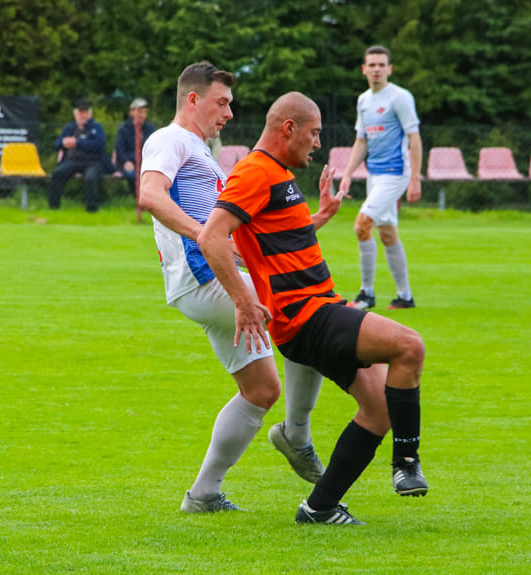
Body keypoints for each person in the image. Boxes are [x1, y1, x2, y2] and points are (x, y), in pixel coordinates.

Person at [198, 91, 429, 526]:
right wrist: (246, 302)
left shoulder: (277, 174)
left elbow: (276, 242)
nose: (318, 142)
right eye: (315, 132)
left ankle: (319, 508)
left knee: (379, 408)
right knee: (408, 346)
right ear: (289, 128)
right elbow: (211, 236)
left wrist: (318, 217)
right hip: (303, 317)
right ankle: (406, 462)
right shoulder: (255, 172)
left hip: (320, 307)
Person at [138, 62, 325, 514]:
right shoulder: (169, 139)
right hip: (205, 279)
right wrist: (207, 238)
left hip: (207, 279)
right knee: (308, 316)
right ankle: (297, 434)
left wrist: (314, 221)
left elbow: (232, 230)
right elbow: (151, 195)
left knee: (261, 390)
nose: (228, 112)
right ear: (194, 99)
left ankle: (202, 496)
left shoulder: (202, 151)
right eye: (222, 102)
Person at [338, 45, 423, 310]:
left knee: (361, 225)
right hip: (375, 176)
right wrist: (348, 175)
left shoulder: (400, 97)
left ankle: (366, 294)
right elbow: (361, 141)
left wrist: (415, 178)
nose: (376, 70)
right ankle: (405, 297)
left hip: (396, 173)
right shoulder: (363, 101)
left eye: (381, 65)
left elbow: (415, 138)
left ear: (389, 69)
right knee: (387, 234)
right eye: (371, 65)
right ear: (364, 69)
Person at [49, 99, 107, 212]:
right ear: (75, 114)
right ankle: (53, 207)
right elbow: (57, 144)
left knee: (90, 177)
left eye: (85, 112)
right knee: (57, 173)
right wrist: (63, 143)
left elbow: (100, 145)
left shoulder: (97, 128)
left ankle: (91, 209)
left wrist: (77, 142)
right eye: (81, 112)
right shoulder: (69, 128)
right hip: (73, 161)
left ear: (90, 114)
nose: (83, 115)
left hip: (92, 161)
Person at [114, 97, 156, 197]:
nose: (142, 114)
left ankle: (149, 199)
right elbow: (119, 149)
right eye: (139, 111)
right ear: (132, 112)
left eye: (144, 112)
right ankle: (139, 199)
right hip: (128, 162)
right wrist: (126, 161)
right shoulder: (123, 129)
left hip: (146, 162)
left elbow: (153, 148)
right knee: (131, 175)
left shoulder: (150, 129)